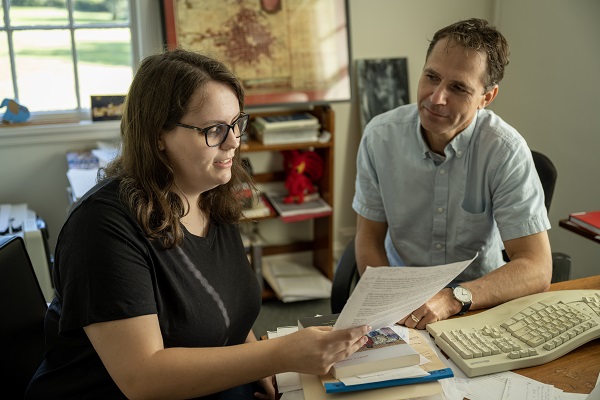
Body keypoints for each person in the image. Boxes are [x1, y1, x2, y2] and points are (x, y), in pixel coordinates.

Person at [26, 49, 370, 400]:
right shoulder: (100, 228)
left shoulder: (209, 193)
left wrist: (264, 368)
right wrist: (277, 355)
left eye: (237, 124)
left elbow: (229, 306)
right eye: (215, 130)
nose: (234, 142)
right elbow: (143, 378)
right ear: (158, 134)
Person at [353, 18, 552, 330]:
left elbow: (537, 267)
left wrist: (452, 298)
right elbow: (369, 239)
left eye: (458, 87)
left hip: (478, 301)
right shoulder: (380, 136)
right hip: (401, 303)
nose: (436, 98)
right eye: (431, 77)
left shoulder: (505, 150)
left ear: (487, 97)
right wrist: (390, 306)